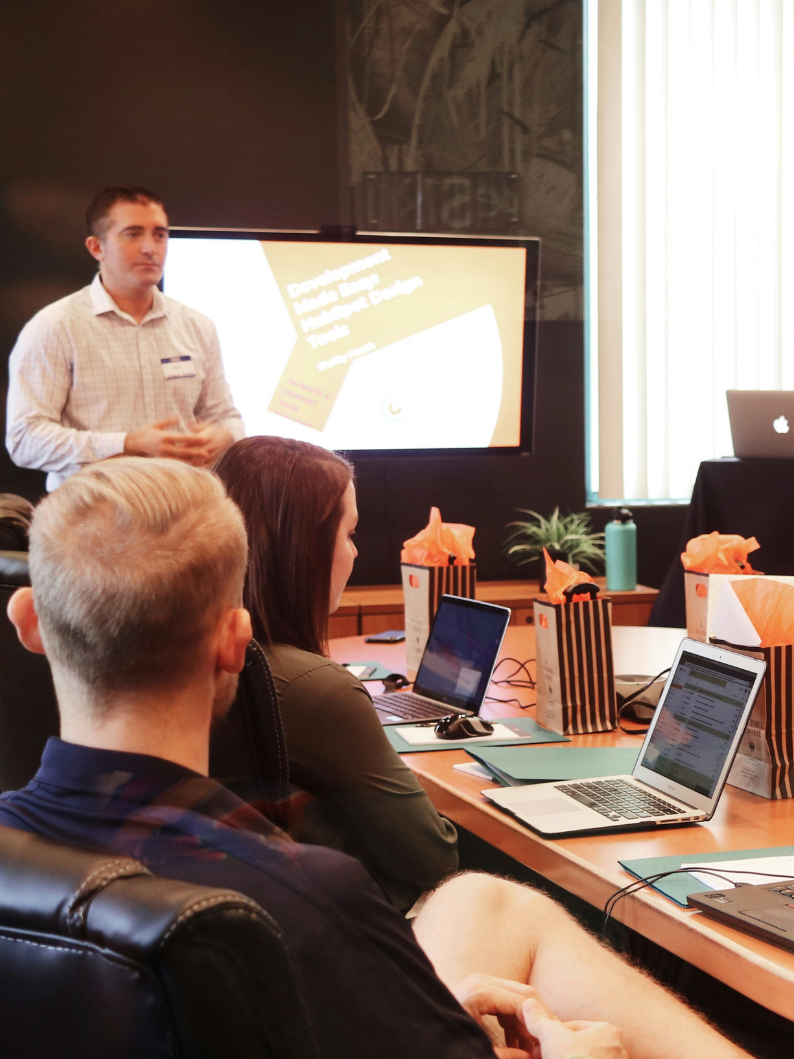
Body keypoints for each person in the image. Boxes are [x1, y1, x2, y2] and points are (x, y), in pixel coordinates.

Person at [2, 457, 753, 1059]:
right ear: (235, 641)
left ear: (28, 620)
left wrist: (433, 1018)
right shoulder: (310, 897)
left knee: (479, 900)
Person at [215, 435, 458, 910]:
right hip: (358, 924)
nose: (355, 553)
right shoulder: (317, 690)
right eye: (349, 534)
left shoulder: (196, 657)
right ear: (302, 548)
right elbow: (435, 860)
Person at [6, 185, 243, 490]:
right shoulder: (55, 326)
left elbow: (228, 418)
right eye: (133, 234)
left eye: (159, 235)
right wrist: (127, 444)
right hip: (94, 509)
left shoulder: (198, 326)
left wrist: (225, 436)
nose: (150, 248)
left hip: (185, 505)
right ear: (97, 247)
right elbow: (24, 439)